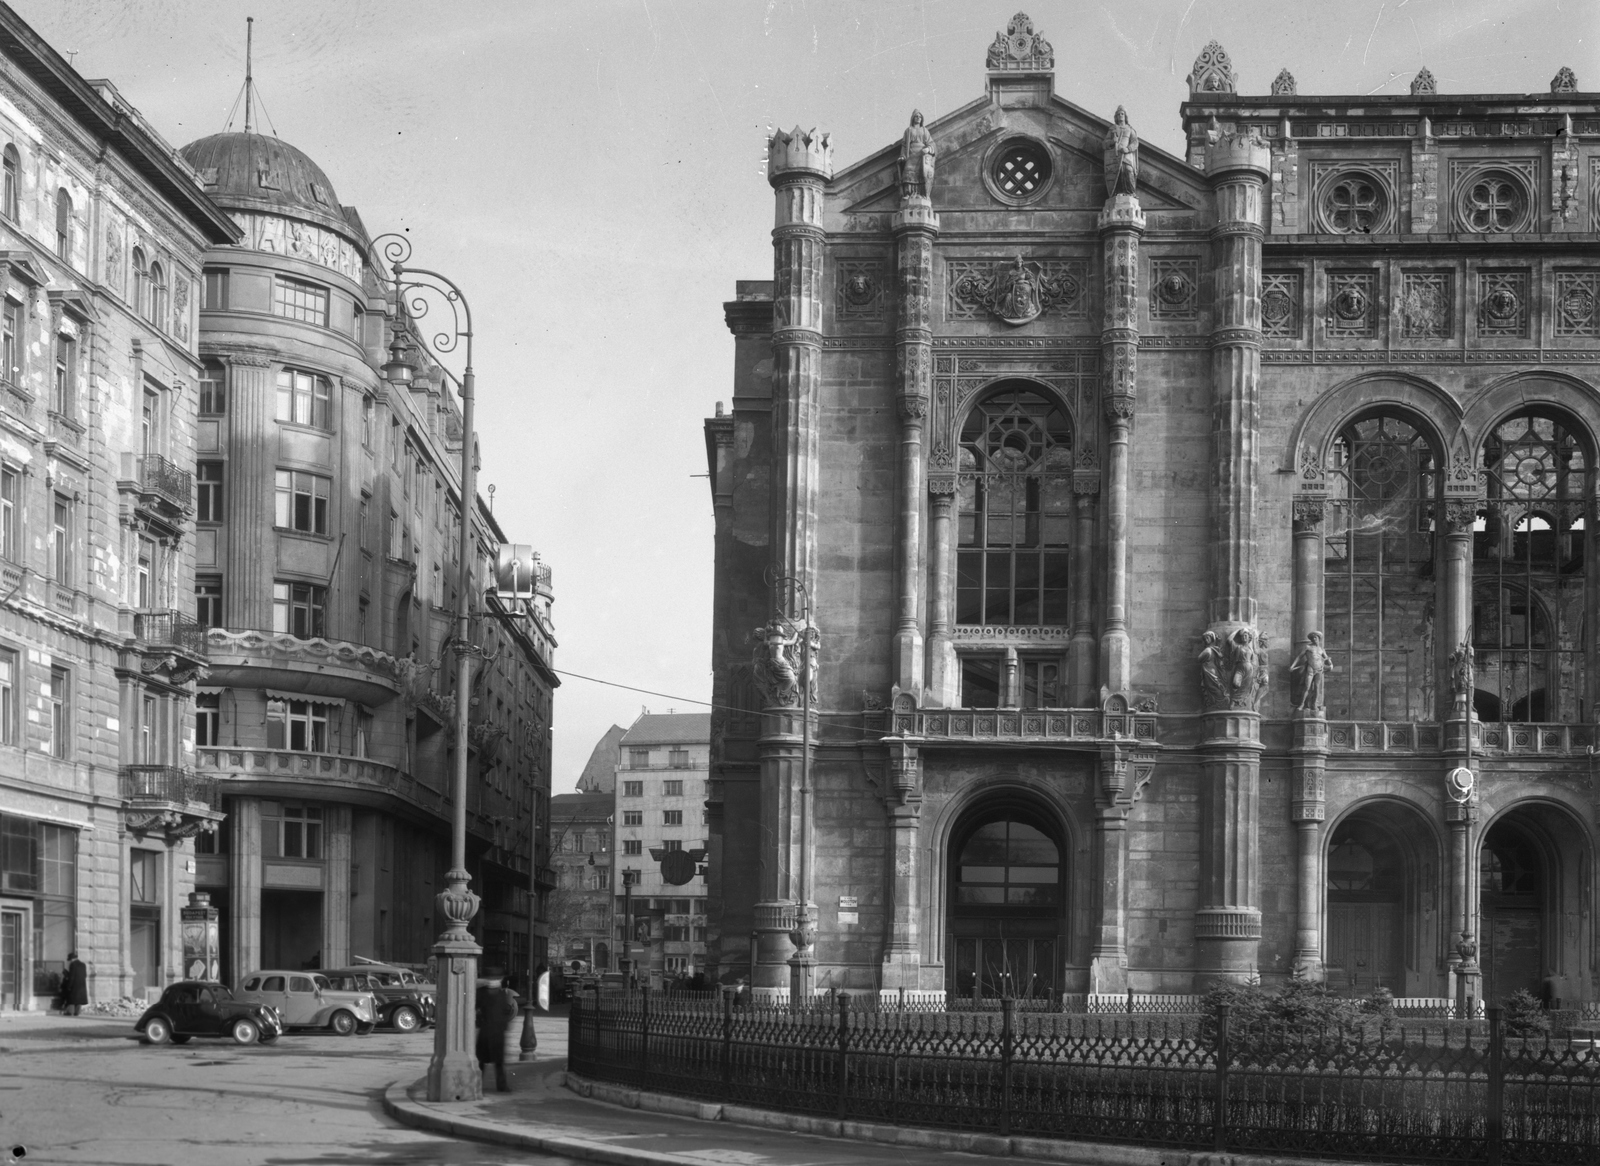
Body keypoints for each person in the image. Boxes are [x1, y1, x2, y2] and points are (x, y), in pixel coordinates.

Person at [475, 968, 518, 1093]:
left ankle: (501, 1086)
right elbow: (476, 1008)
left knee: (498, 1062)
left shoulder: (501, 993)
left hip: (497, 1033)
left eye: (497, 978)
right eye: (493, 978)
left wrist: (504, 1026)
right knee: (482, 1062)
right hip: (486, 1032)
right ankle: (477, 1085)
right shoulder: (481, 992)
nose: (495, 981)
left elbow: (505, 1011)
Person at [61, 952, 87, 1017]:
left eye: (70, 960)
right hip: (82, 985)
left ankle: (70, 1012)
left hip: (74, 985)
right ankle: (77, 1012)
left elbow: (72, 976)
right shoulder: (83, 964)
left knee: (71, 999)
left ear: (72, 959)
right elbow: (85, 975)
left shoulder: (73, 964)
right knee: (79, 1000)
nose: (70, 961)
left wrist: (69, 985)